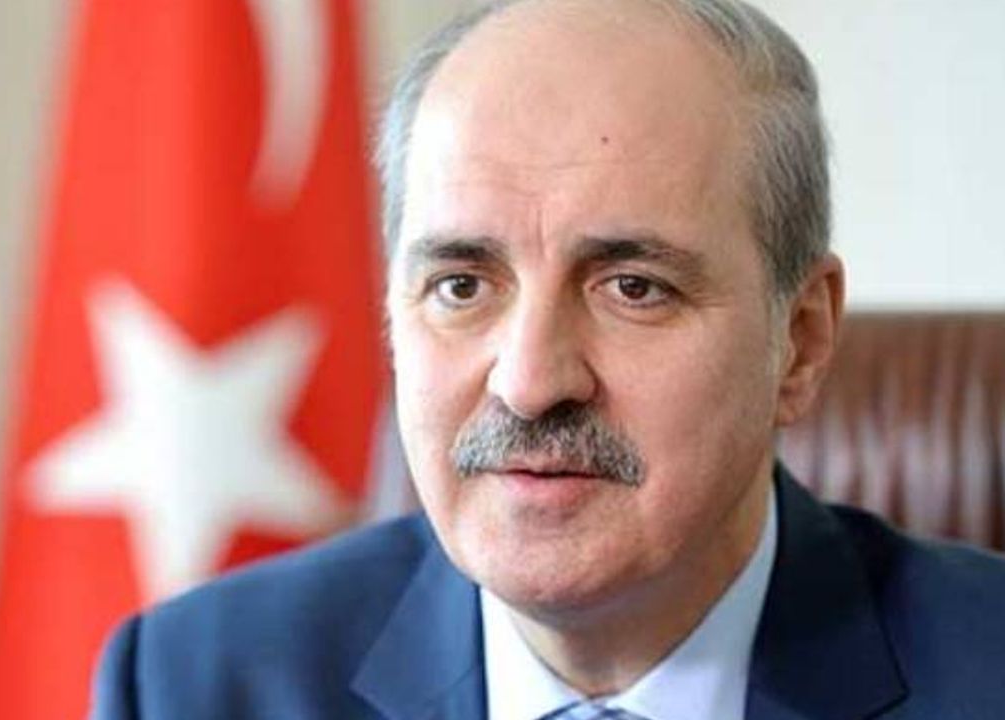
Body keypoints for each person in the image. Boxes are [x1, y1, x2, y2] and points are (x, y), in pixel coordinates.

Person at [90, 1, 1005, 717]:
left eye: (633, 287)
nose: (529, 383)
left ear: (799, 341)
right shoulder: (194, 686)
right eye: (461, 285)